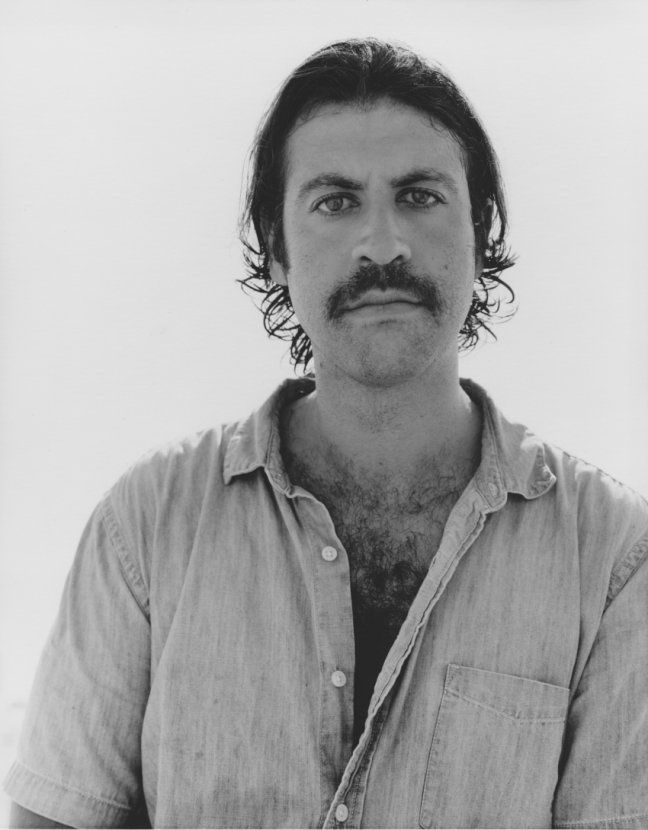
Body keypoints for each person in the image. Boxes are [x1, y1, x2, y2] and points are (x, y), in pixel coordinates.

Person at [5, 37, 648, 830]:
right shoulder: (148, 526)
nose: (382, 244)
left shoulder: (611, 557)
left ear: (480, 232)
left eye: (420, 196)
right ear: (276, 248)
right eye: (336, 202)